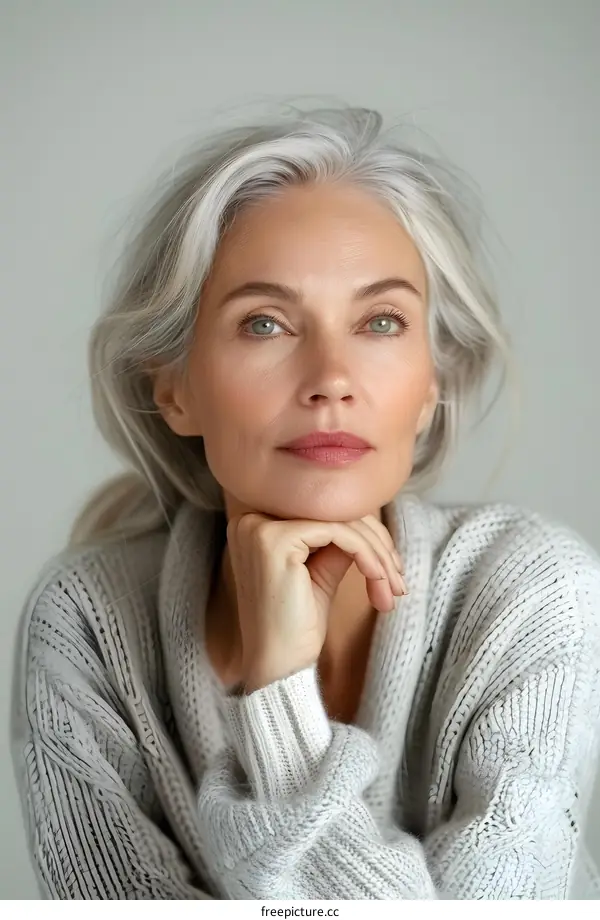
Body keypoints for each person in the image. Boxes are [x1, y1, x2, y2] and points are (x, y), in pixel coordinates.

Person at [11, 105, 600, 900]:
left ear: (431, 386)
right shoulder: (88, 622)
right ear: (175, 389)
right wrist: (276, 676)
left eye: (380, 321)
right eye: (266, 323)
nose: (331, 375)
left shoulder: (534, 591)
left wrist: (279, 699)